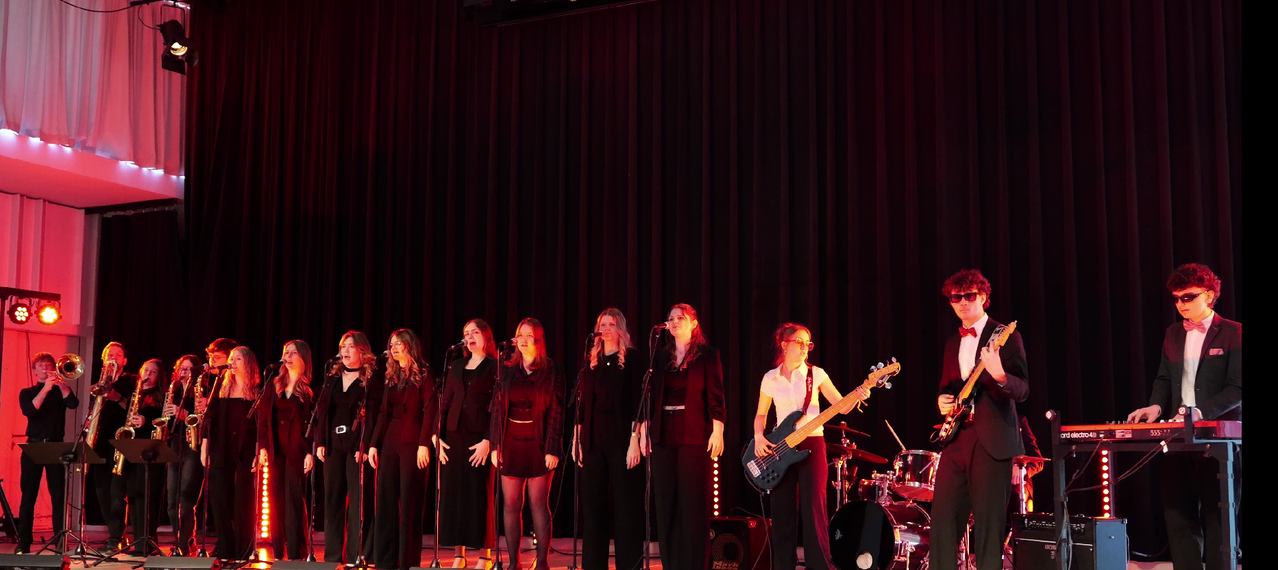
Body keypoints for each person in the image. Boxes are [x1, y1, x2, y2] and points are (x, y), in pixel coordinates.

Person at [1126, 263, 1241, 570]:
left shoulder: (1234, 332)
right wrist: (1155, 406)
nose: (1181, 304)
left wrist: (1201, 413)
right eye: (1176, 298)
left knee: (1218, 517)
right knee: (1178, 514)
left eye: (1188, 297)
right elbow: (1164, 379)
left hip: (1218, 439)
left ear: (1209, 295)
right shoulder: (1173, 333)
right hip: (1178, 436)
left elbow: (1238, 387)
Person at [929, 269, 1028, 570]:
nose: (962, 302)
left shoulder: (1005, 335)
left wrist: (999, 375)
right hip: (957, 438)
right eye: (955, 298)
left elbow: (1022, 389)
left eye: (969, 296)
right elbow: (947, 387)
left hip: (992, 439)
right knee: (943, 520)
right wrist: (942, 400)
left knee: (988, 525)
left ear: (983, 297)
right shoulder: (951, 342)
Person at [753, 323, 870, 570]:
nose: (805, 347)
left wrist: (860, 393)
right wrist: (759, 437)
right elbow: (761, 414)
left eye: (808, 343)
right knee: (782, 512)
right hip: (781, 448)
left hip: (812, 443)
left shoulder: (815, 374)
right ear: (784, 345)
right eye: (799, 342)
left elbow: (842, 406)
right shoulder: (770, 378)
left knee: (814, 511)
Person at [642, 303, 726, 570]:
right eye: (671, 318)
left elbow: (716, 396)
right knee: (666, 502)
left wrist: (718, 430)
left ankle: (695, 564)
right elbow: (650, 397)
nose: (674, 322)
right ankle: (671, 564)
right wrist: (644, 430)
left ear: (694, 324)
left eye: (680, 318)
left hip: (694, 433)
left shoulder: (708, 355)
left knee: (693, 503)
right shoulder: (659, 357)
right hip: (663, 435)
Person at [489, 318, 565, 570]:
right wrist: (495, 445)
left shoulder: (552, 371)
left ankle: (542, 563)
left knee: (538, 503)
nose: (523, 340)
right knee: (511, 504)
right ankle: (514, 563)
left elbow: (557, 412)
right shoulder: (506, 368)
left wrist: (553, 448)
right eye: (520, 335)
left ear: (538, 340)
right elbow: (496, 409)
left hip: (539, 443)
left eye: (529, 335)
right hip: (510, 441)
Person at [571, 309, 644, 570]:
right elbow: (582, 404)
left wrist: (635, 439)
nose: (606, 329)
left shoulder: (632, 359)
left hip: (623, 436)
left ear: (621, 329)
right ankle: (593, 564)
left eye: (611, 324)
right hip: (593, 437)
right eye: (602, 324)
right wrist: (577, 439)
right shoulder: (592, 361)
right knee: (593, 505)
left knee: (626, 505)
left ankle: (629, 565)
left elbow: (639, 403)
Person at [368, 329, 436, 570]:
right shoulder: (391, 375)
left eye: (399, 344)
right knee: (385, 500)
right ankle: (385, 561)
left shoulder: (425, 374)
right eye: (392, 344)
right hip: (390, 441)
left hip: (413, 441)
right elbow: (383, 412)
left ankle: (407, 561)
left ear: (410, 346)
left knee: (409, 501)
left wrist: (423, 444)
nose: (393, 348)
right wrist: (373, 444)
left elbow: (430, 411)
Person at [436, 320, 499, 569]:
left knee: (478, 495)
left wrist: (489, 440)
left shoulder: (495, 367)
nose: (469, 337)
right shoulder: (456, 365)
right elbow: (445, 402)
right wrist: (437, 437)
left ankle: (485, 556)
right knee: (454, 496)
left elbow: (497, 407)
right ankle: (459, 555)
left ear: (486, 337)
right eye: (466, 333)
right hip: (453, 436)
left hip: (479, 437)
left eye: (475, 332)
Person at [315, 331, 381, 564]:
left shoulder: (371, 380)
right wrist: (320, 442)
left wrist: (366, 444)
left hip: (357, 446)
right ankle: (333, 556)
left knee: (359, 502)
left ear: (363, 351)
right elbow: (322, 413)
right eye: (343, 346)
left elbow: (373, 415)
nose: (345, 350)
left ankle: (358, 554)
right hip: (333, 444)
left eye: (351, 346)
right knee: (332, 499)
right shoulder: (332, 378)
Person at [257, 340, 316, 560]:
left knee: (293, 498)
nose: (288, 357)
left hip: (297, 448)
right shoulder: (273, 384)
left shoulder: (310, 389)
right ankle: (278, 551)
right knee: (275, 499)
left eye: (293, 353)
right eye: (286, 353)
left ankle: (296, 551)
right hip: (276, 448)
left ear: (303, 358)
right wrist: (263, 446)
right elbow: (263, 418)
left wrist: (310, 451)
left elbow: (314, 423)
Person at [16, 352, 80, 554]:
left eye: (49, 365)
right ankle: (24, 542)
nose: (46, 368)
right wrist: (45, 388)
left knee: (58, 496)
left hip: (55, 446)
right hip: (33, 446)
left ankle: (60, 541)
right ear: (35, 370)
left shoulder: (61, 391)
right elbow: (30, 411)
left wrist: (61, 384)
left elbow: (74, 404)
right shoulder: (27, 392)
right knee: (28, 496)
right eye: (41, 366)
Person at [201, 346, 261, 560]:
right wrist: (204, 446)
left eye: (238, 359)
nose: (232, 363)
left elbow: (261, 424)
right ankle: (224, 548)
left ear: (248, 364)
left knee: (244, 498)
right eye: (231, 359)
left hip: (246, 447)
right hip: (221, 446)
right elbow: (210, 419)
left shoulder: (258, 391)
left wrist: (260, 449)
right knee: (220, 497)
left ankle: (244, 549)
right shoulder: (221, 387)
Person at [89, 341, 134, 550]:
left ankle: (116, 537)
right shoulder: (101, 382)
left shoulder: (130, 381)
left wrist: (117, 398)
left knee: (116, 491)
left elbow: (133, 407)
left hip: (121, 441)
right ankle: (113, 535)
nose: (113, 358)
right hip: (101, 442)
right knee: (102, 491)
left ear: (124, 361)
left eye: (117, 355)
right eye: (109, 355)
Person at [123, 359, 166, 554]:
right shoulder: (135, 394)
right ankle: (138, 542)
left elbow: (164, 421)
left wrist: (146, 421)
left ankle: (148, 542)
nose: (148, 374)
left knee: (148, 497)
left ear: (158, 377)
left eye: (153, 372)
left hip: (150, 449)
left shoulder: (162, 396)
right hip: (133, 447)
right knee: (134, 495)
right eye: (145, 370)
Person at [163, 354, 202, 556]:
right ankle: (179, 540)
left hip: (192, 444)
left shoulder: (200, 390)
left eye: (187, 369)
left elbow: (202, 418)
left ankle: (184, 543)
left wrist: (183, 413)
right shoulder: (174, 391)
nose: (183, 373)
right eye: (181, 369)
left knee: (186, 499)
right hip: (174, 443)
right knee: (171, 501)